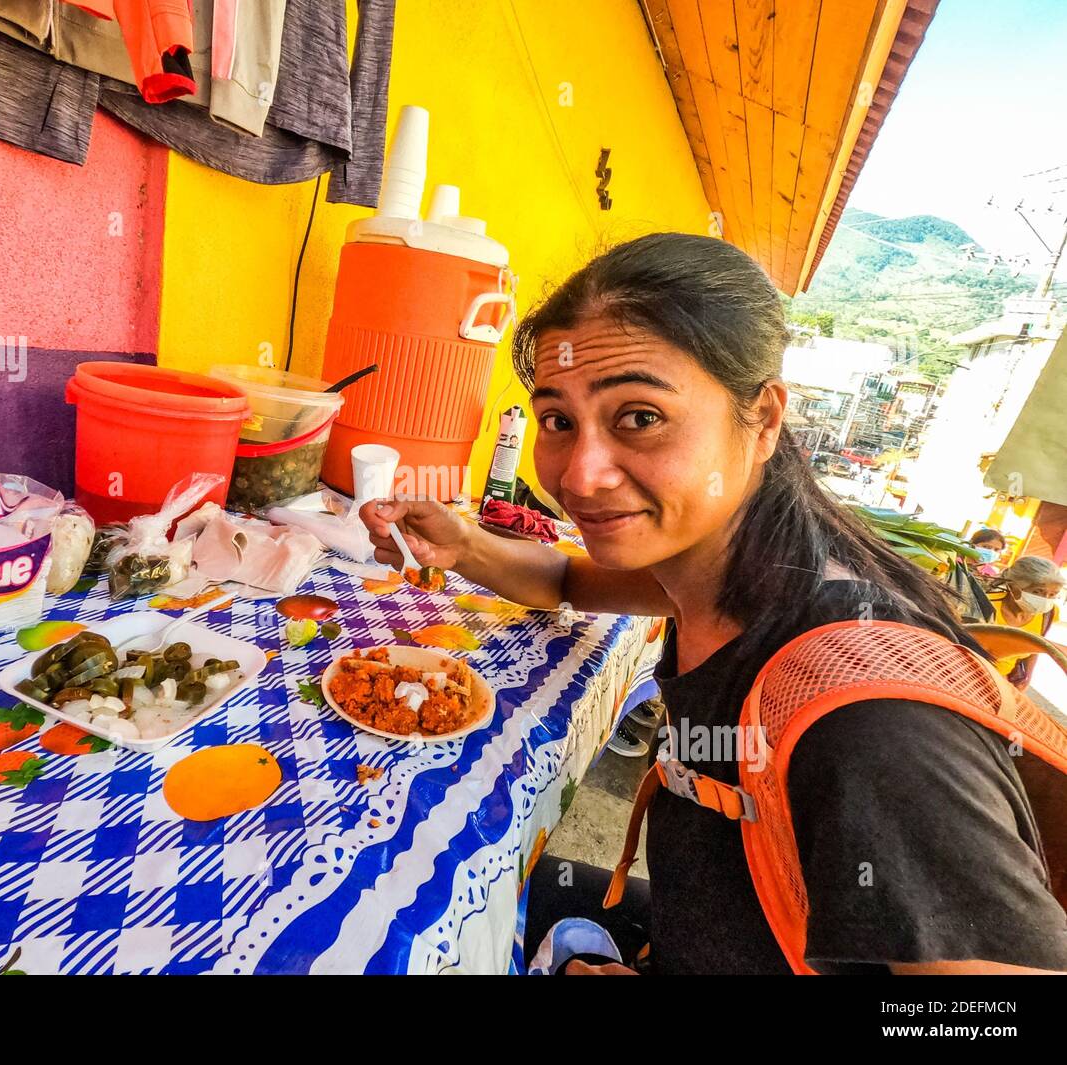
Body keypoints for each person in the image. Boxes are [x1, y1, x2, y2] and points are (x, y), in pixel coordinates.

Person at [360, 233, 1067, 975]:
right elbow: (565, 582)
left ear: (762, 419)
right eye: (559, 421)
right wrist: (462, 544)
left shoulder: (872, 726)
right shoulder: (719, 563)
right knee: (458, 892)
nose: (580, 474)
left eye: (639, 416)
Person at [987, 555, 1064, 690]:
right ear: (1013, 587)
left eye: (1052, 595)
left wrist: (1027, 675)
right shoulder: (986, 605)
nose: (1045, 600)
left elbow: (1034, 644)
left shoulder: (1049, 614)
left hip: (1002, 683)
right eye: (1038, 592)